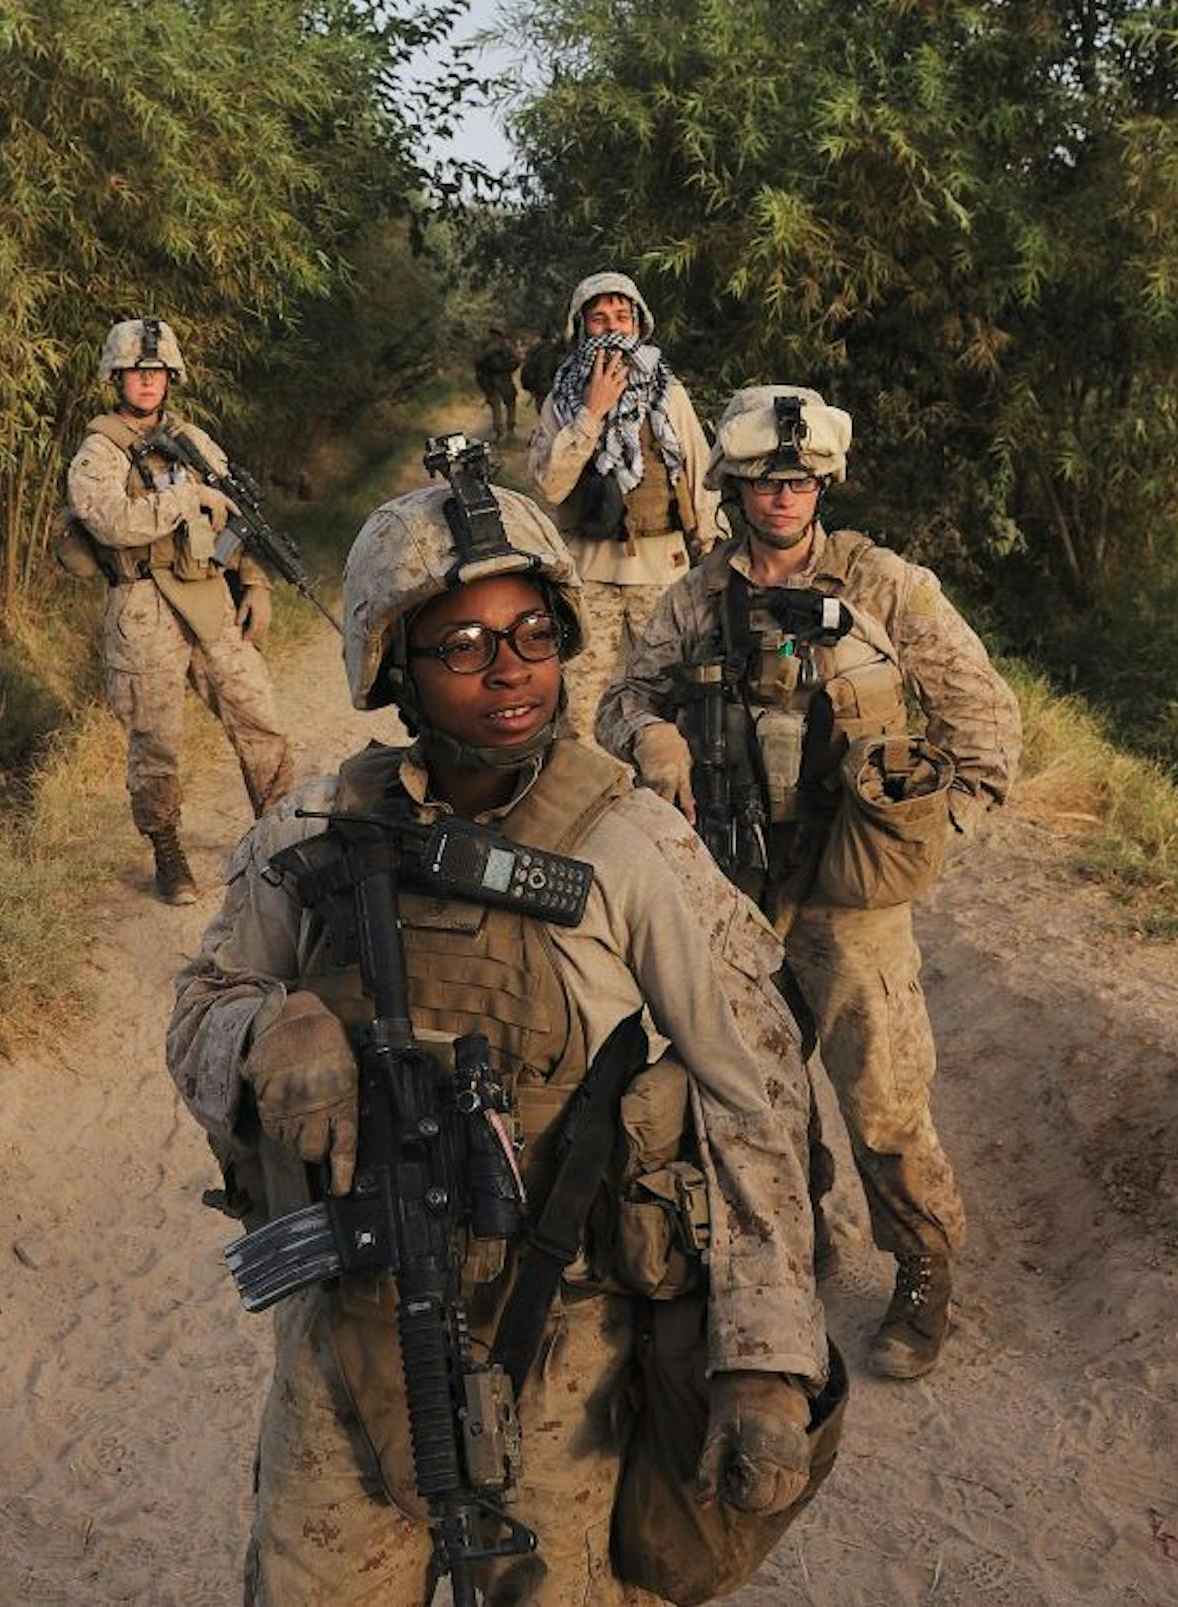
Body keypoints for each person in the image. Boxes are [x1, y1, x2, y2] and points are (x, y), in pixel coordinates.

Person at [167, 455, 828, 1603]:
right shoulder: (316, 827)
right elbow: (199, 1005)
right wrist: (267, 1030)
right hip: (350, 1334)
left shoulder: (632, 844)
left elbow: (752, 1092)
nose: (509, 671)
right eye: (463, 646)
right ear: (397, 668)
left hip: (562, 1343)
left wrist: (767, 1357)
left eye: (532, 634)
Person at [596, 386, 1022, 1382]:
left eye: (798, 479)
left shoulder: (883, 584)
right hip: (736, 877)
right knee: (753, 1082)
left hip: (849, 879)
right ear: (733, 486)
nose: (781, 496)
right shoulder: (696, 598)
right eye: (761, 480)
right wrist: (648, 731)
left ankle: (923, 1267)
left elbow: (984, 717)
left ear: (822, 482)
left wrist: (928, 822)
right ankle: (797, 1237)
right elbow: (621, 696)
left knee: (881, 1092)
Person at [67, 316, 295, 904]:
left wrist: (255, 581)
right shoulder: (99, 451)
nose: (147, 382)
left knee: (259, 716)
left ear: (171, 377)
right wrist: (187, 495)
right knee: (157, 740)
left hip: (209, 595)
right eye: (136, 373)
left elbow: (236, 516)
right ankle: (167, 850)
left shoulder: (193, 440)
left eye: (157, 373)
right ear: (115, 378)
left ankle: (280, 836)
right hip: (142, 605)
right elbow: (113, 523)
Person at [527, 271, 726, 740]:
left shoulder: (669, 394)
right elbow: (551, 486)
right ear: (582, 328)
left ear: (639, 324)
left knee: (670, 698)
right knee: (579, 703)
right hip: (587, 571)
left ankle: (662, 799)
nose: (613, 328)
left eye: (622, 316)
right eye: (599, 319)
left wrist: (717, 560)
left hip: (662, 573)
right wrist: (592, 413)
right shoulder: (562, 401)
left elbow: (702, 478)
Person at [473, 326, 520, 440]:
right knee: (509, 404)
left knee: (497, 406)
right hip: (502, 378)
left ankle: (501, 431)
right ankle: (509, 430)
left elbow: (477, 362)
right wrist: (508, 369)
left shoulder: (485, 346)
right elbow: (516, 361)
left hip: (491, 379)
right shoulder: (506, 345)